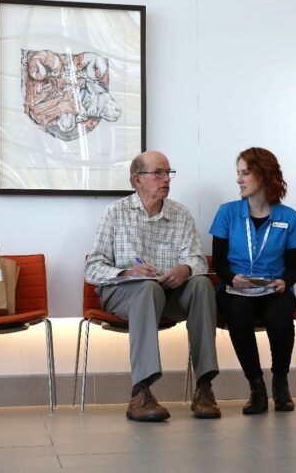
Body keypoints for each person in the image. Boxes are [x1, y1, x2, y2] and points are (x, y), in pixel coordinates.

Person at [85, 151, 220, 422]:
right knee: (147, 288)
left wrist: (186, 269)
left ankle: (204, 388)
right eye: (158, 173)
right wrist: (127, 271)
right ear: (137, 179)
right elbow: (93, 268)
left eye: (168, 172)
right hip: (125, 293)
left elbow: (196, 259)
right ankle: (141, 392)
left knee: (203, 285)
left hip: (168, 293)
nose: (165, 179)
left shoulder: (180, 214)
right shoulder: (115, 212)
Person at [209, 147, 296, 414]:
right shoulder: (227, 212)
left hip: (273, 288)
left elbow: (294, 267)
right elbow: (218, 261)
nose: (239, 180)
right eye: (238, 173)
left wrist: (285, 282)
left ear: (264, 176)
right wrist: (232, 278)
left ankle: (280, 383)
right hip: (235, 288)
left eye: (245, 173)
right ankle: (256, 388)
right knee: (237, 313)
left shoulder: (289, 217)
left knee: (280, 315)